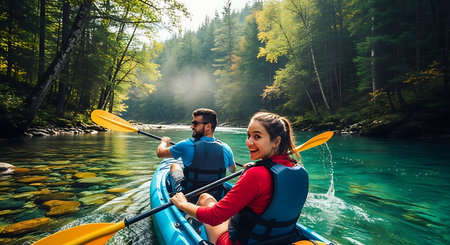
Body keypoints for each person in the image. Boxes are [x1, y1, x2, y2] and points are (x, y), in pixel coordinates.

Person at [170, 112, 309, 245]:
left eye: (257, 137)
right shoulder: (300, 171)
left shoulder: (257, 174)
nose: (249, 142)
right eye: (248, 135)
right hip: (282, 240)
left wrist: (183, 204)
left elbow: (214, 217)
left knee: (205, 198)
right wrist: (256, 169)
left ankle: (193, 224)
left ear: (276, 141)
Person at [157, 108, 236, 201]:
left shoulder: (186, 145)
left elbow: (160, 153)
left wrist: (164, 142)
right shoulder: (226, 148)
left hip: (188, 195)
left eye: (195, 123)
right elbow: (232, 170)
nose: (191, 126)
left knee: (174, 166)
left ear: (208, 127)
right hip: (215, 195)